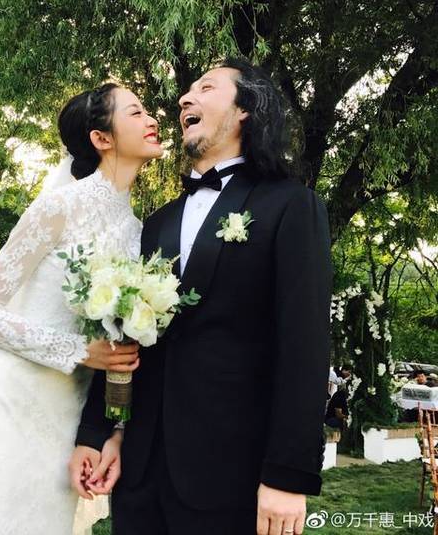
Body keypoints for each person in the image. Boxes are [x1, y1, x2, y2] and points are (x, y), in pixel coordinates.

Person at [71, 58, 332, 535]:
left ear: (246, 108)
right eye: (187, 91)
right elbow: (127, 337)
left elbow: (305, 348)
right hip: (140, 475)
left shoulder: (292, 205)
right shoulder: (157, 223)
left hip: (232, 475)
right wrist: (101, 431)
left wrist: (287, 475)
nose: (184, 98)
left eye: (206, 88)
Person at [0, 83, 163, 535]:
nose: (152, 120)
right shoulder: (59, 207)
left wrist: (110, 428)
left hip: (69, 417)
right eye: (136, 112)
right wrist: (78, 350)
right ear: (101, 138)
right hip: (10, 401)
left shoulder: (140, 231)